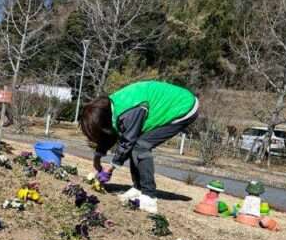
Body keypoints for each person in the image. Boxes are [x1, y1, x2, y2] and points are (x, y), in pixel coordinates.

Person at [80, 80, 199, 213]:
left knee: (141, 145)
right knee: (137, 144)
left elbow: (128, 141)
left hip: (184, 106)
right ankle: (138, 188)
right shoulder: (109, 108)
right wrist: (97, 158)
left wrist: (111, 167)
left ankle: (149, 197)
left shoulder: (129, 112)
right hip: (170, 104)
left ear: (104, 121)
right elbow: (109, 134)